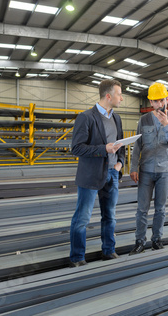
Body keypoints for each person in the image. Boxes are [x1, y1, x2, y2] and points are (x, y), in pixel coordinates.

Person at [69, 79, 125, 267]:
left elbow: (121, 145)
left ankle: (108, 250)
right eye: (119, 94)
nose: (122, 98)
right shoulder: (86, 117)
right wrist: (104, 149)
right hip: (91, 175)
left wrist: (120, 163)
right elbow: (76, 148)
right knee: (82, 218)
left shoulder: (116, 118)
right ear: (108, 96)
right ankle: (77, 257)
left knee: (110, 216)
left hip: (112, 174)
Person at [129, 82, 168, 255]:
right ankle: (139, 241)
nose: (158, 105)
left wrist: (166, 124)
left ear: (167, 99)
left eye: (161, 100)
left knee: (160, 208)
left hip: (165, 170)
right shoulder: (143, 120)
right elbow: (137, 144)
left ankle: (157, 239)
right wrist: (133, 166)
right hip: (146, 170)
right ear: (150, 102)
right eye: (155, 101)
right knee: (142, 209)